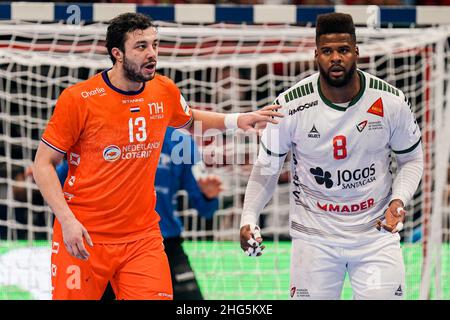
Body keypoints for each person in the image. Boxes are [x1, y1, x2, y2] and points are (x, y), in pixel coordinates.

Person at [32, 12, 282, 300]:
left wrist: (237, 119)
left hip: (143, 238)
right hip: (85, 235)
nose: (152, 54)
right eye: (141, 47)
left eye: (155, 45)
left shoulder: (162, 90)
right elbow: (43, 165)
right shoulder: (79, 100)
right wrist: (67, 221)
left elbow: (189, 120)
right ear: (117, 54)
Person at [239, 12, 423, 300]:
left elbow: (412, 160)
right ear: (316, 55)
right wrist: (248, 216)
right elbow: (266, 166)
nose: (335, 57)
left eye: (343, 50)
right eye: (327, 51)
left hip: (375, 235)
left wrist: (398, 200)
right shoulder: (290, 105)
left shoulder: (390, 101)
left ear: (356, 52)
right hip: (314, 238)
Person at [54, 127, 222, 300]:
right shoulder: (109, 127)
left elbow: (205, 210)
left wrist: (208, 196)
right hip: (106, 242)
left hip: (164, 243)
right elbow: (61, 181)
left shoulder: (181, 142)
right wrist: (47, 168)